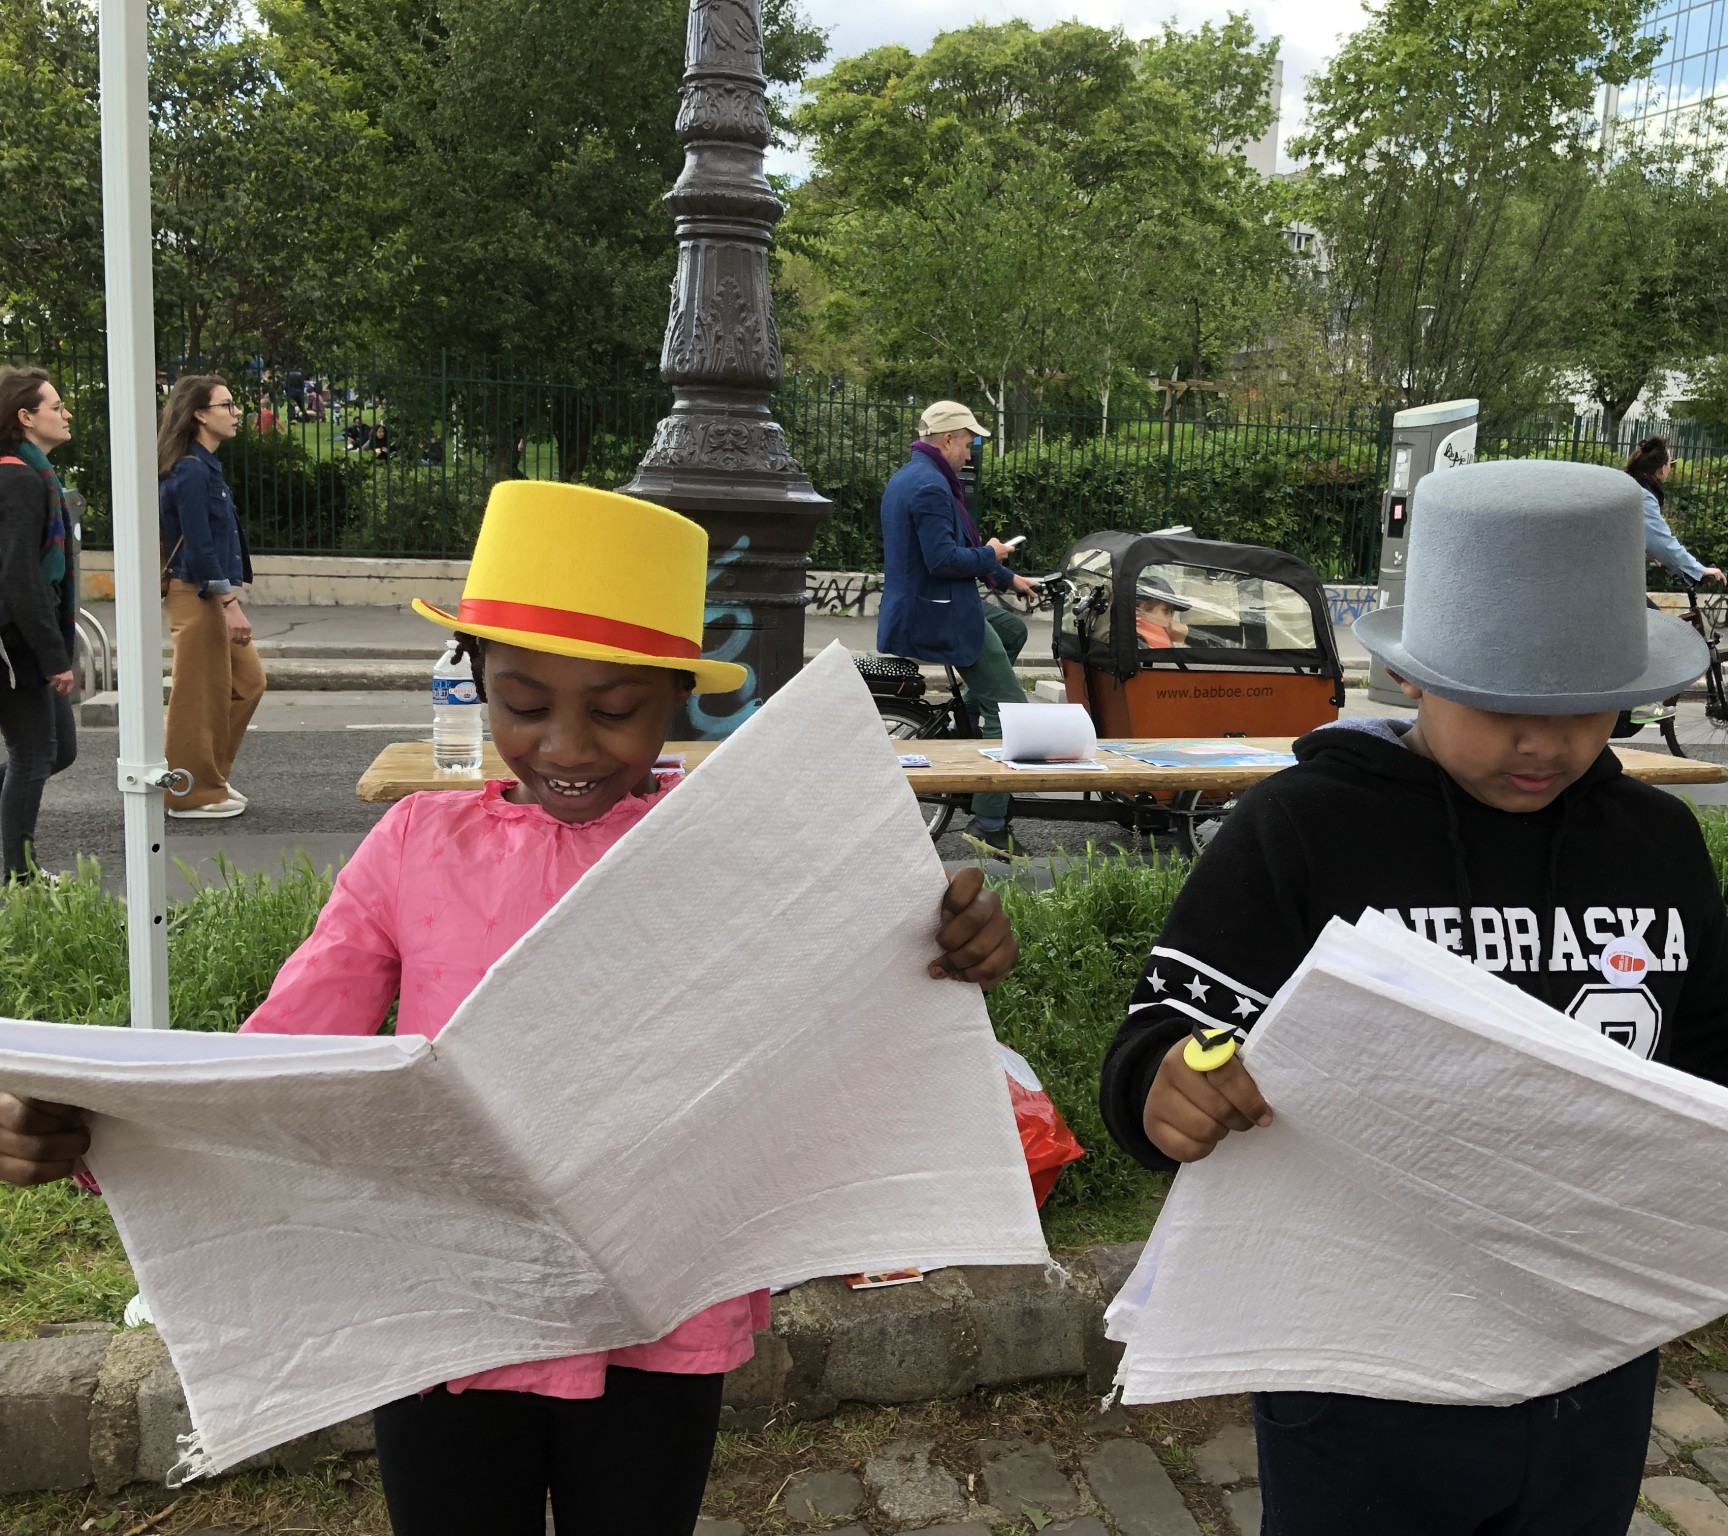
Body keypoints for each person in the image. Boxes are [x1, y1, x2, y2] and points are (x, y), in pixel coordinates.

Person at [0, 480, 1022, 1535]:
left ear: (676, 695)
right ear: (475, 680)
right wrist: (100, 1131)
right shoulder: (412, 848)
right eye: (524, 705)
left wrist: (953, 949)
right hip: (450, 1310)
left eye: (615, 708)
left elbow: (859, 998)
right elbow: (279, 1069)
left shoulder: (731, 854)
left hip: (654, 1309)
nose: (568, 746)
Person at [1097, 457, 1728, 1536]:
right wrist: (1167, 1084)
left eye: (1586, 705)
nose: (1545, 741)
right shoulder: (1302, 828)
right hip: (1358, 1375)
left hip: (1589, 1359)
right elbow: (1166, 1034)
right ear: (1414, 678)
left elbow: (1710, 1064)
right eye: (1500, 702)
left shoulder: (1652, 842)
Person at [878, 400, 1037, 845]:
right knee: (1011, 711)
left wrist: (1008, 577)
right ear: (948, 439)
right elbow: (945, 559)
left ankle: (965, 724)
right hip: (940, 611)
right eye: (968, 443)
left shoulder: (915, 476)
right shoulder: (930, 487)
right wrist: (993, 554)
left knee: (1014, 630)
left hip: (938, 601)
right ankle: (989, 824)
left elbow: (955, 551)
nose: (970, 453)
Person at [158, 375, 263, 818]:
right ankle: (187, 794)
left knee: (248, 683)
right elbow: (198, 546)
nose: (236, 412)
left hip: (206, 592)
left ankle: (209, 777)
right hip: (195, 593)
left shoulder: (203, 467)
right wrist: (229, 604)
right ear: (200, 413)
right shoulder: (190, 470)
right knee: (196, 697)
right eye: (227, 404)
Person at [0, 370, 80, 883]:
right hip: (14, 642)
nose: (66, 412)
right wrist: (54, 657)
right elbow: (20, 578)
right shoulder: (18, 478)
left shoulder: (35, 476)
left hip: (25, 636)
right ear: (25, 417)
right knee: (32, 755)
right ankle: (19, 878)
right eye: (55, 405)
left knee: (60, 748)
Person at [1623, 436, 1723, 588]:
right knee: (1646, 612)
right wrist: (1699, 570)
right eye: (1671, 464)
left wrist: (1645, 552)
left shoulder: (1628, 484)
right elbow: (1663, 542)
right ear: (1662, 469)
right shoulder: (1642, 495)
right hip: (1609, 579)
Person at [1135, 574, 1190, 649]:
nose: (1170, 619)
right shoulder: (1136, 643)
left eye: (1171, 612)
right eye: (1166, 611)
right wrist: (1178, 643)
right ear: (1143, 607)